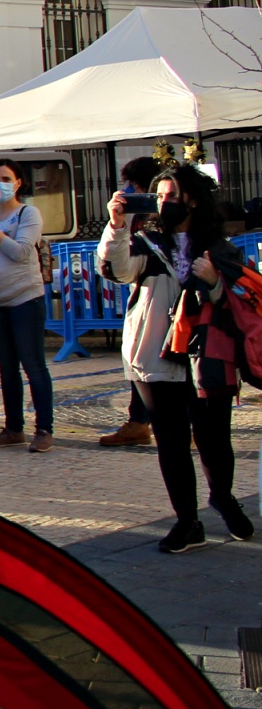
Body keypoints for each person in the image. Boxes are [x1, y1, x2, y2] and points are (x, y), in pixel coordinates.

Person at [97, 166, 256, 553]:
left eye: (172, 196)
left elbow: (240, 302)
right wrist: (116, 226)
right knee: (171, 442)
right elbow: (115, 271)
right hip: (155, 355)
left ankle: (222, 496)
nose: (164, 203)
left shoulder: (221, 249)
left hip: (207, 357)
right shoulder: (145, 242)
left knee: (214, 438)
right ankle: (187, 522)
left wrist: (215, 283)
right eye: (159, 196)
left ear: (193, 200)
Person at [0, 158, 53, 451]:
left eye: (6, 178)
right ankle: (13, 428)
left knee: (33, 364)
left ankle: (44, 429)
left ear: (18, 183)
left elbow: (21, 252)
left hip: (25, 300)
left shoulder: (28, 214)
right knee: (6, 367)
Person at [100, 155, 167, 448]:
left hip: (171, 307)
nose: (129, 190)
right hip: (144, 301)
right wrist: (117, 223)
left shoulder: (168, 222)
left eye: (134, 184)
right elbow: (118, 268)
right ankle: (139, 422)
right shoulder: (132, 219)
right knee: (139, 363)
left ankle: (179, 425)